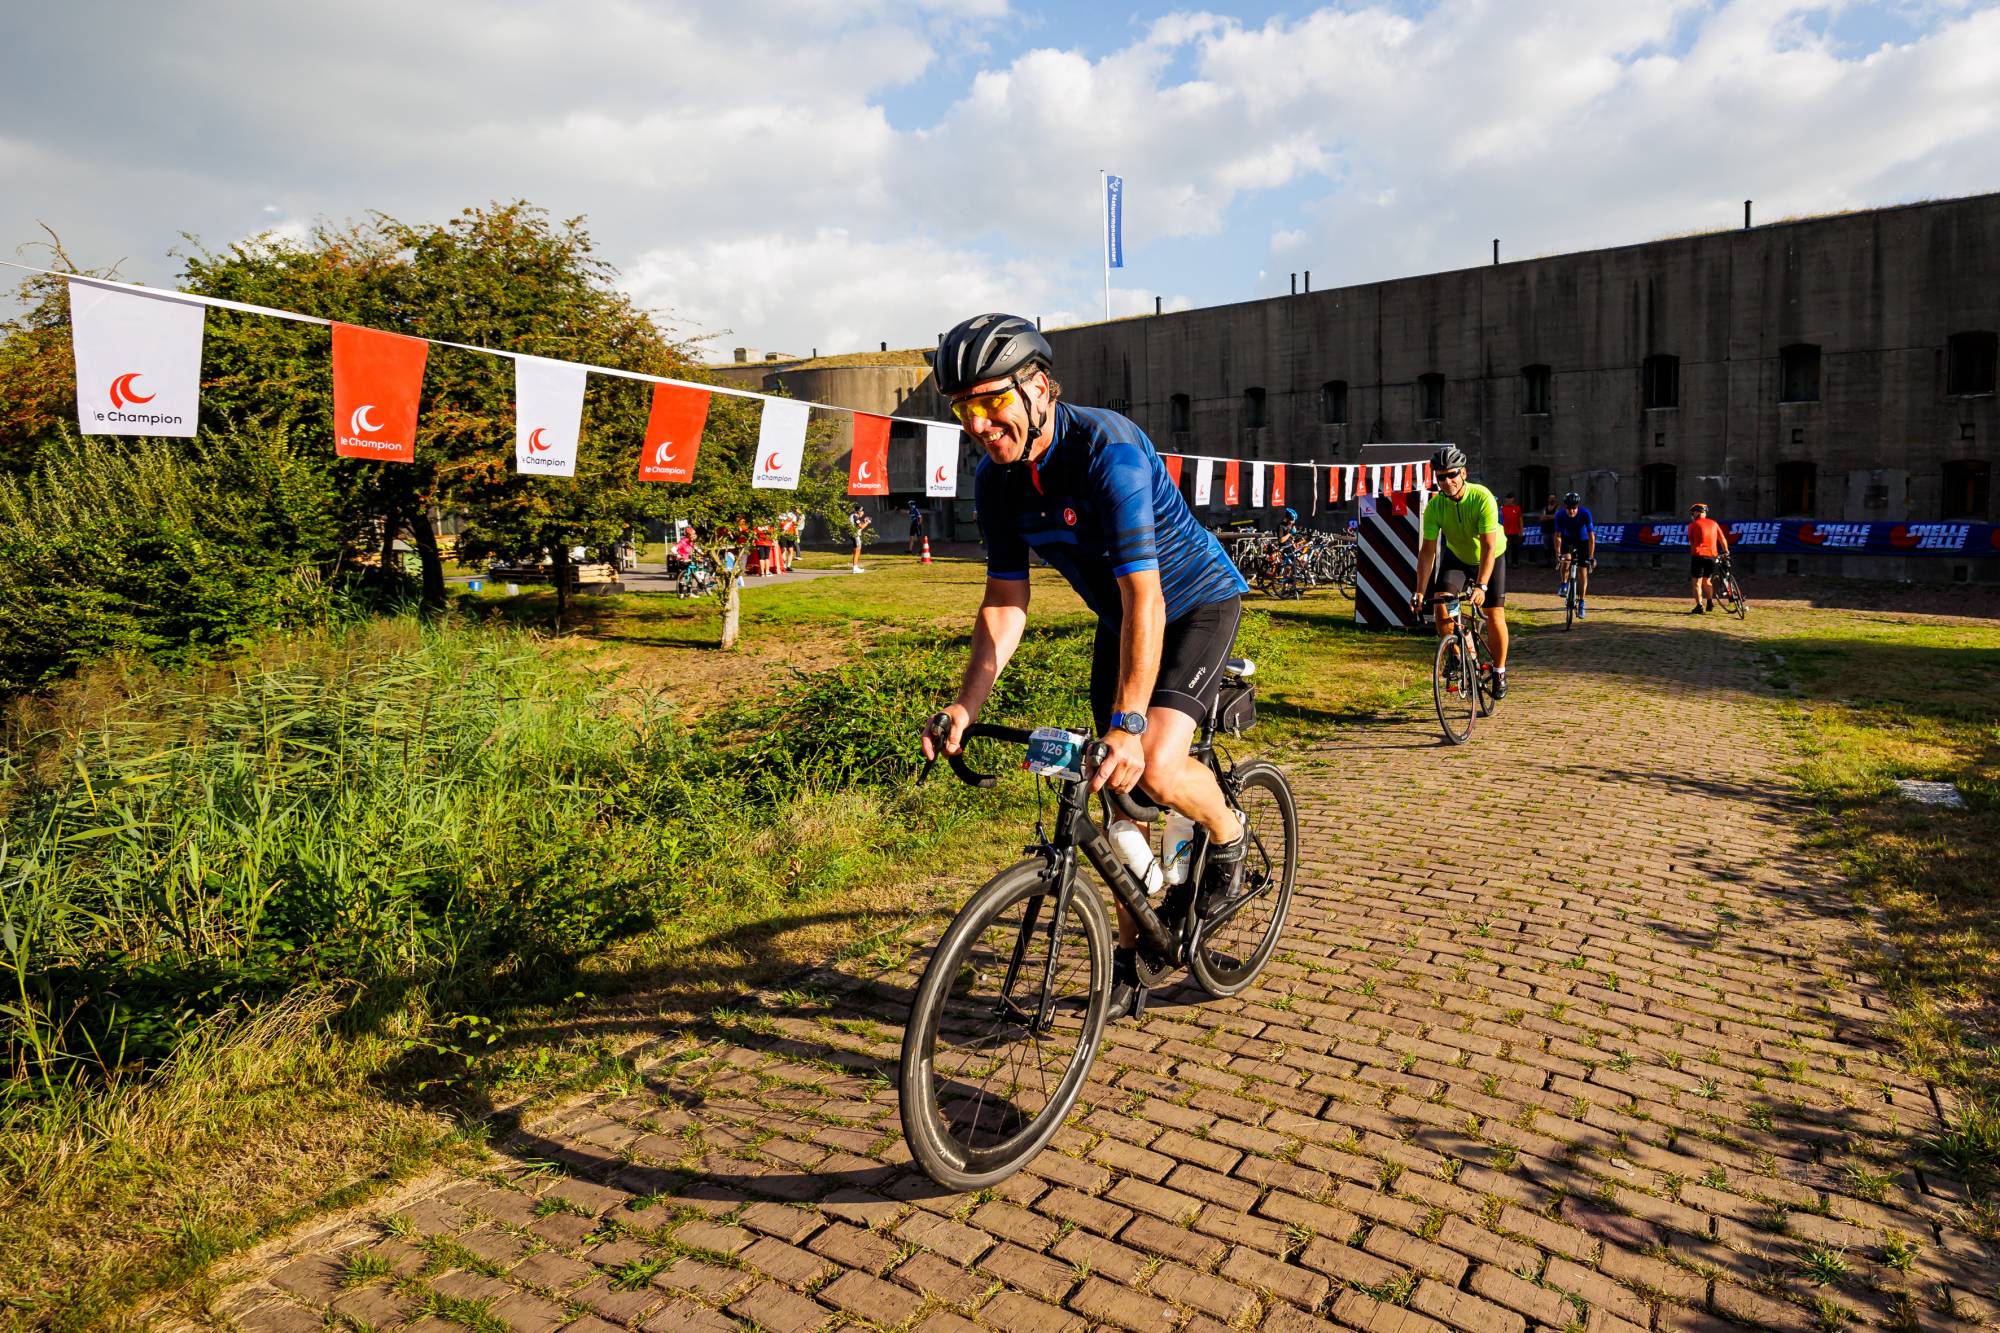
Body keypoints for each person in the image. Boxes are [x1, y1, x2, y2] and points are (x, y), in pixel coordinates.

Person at [918, 312, 1252, 1021]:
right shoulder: (996, 481)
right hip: (1123, 618)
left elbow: (1147, 595)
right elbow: (1006, 602)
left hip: (1191, 602)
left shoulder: (1110, 452)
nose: (978, 423)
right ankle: (1130, 955)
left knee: (1154, 765)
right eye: (963, 408)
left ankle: (1228, 832)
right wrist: (965, 704)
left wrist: (1131, 725)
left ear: (1039, 387)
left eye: (991, 401)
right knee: (1112, 792)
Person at [1410, 446, 1510, 697]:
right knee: (1440, 605)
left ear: (1463, 473)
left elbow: (1488, 547)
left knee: (1494, 614)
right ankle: (1459, 652)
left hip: (1491, 556)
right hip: (1458, 556)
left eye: (1452, 474)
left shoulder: (1482, 497)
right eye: (1440, 476)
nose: (1447, 481)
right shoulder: (1435, 506)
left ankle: (1499, 671)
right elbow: (1427, 552)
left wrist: (1482, 585)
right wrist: (1420, 591)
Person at [1552, 492, 1596, 617]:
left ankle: (1581, 602)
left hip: (1582, 541)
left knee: (1583, 571)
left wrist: (1591, 556)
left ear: (1578, 507)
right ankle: (1564, 583)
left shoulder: (1585, 513)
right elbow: (1557, 536)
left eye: (1574, 508)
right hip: (1567, 539)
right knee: (1566, 560)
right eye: (1569, 508)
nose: (1571, 511)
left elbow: (1591, 536)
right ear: (1565, 507)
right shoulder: (1560, 515)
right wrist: (1558, 553)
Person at [1686, 502, 1729, 613]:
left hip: (1698, 556)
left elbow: (1692, 542)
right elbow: (1722, 539)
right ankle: (1710, 602)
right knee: (1707, 581)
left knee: (1697, 583)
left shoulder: (1692, 525)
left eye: (1693, 513)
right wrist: (1726, 552)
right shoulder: (1714, 523)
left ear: (1696, 513)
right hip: (1712, 557)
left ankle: (1699, 606)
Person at [1499, 493, 1524, 569]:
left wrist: (1521, 530)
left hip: (1515, 532)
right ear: (1506, 499)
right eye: (1508, 498)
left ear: (1513, 499)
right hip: (1504, 532)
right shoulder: (1502, 509)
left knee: (1515, 548)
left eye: (1511, 498)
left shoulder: (1517, 508)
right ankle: (1505, 563)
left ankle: (1515, 563)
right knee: (1504, 548)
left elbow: (1520, 520)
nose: (1509, 500)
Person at [848, 504, 871, 573]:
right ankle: (855, 568)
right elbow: (861, 527)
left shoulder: (854, 516)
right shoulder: (855, 516)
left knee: (856, 551)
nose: (863, 513)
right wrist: (867, 522)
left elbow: (858, 526)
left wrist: (864, 522)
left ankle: (855, 567)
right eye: (862, 511)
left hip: (853, 535)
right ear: (859, 511)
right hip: (855, 535)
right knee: (857, 551)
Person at [1538, 495, 1559, 566]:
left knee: (1554, 547)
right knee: (1546, 547)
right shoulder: (1545, 508)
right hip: (1545, 530)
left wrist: (1547, 516)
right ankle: (1548, 561)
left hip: (1554, 531)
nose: (1552, 499)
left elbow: (1556, 517)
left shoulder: (1557, 508)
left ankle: (1555, 562)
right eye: (1550, 498)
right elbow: (1542, 518)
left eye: (1553, 498)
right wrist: (1551, 516)